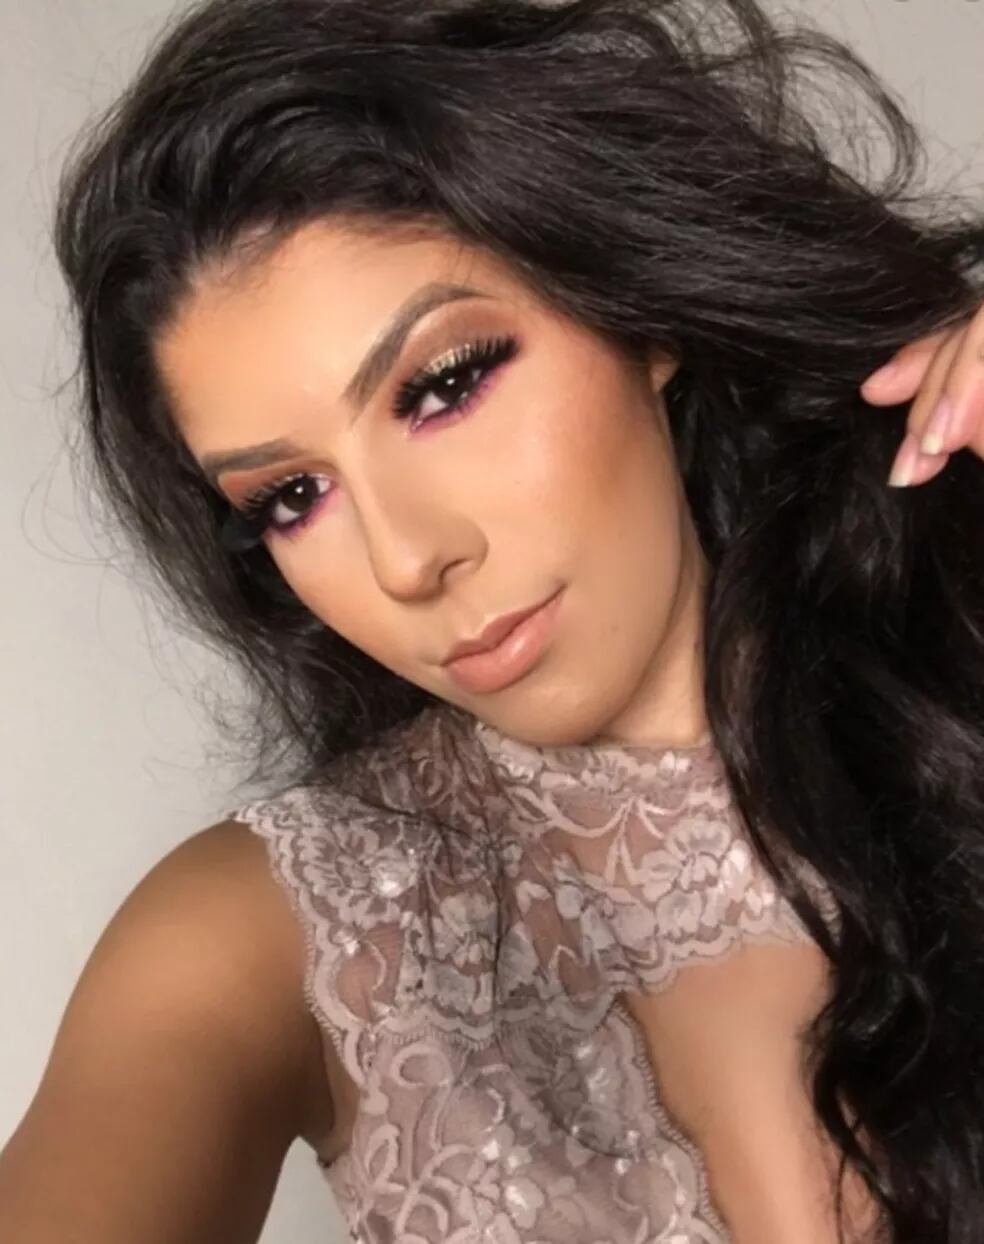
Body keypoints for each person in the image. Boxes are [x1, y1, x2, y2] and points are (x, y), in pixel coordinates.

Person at [2, 0, 983, 1241]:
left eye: (444, 384)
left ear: (637, 310)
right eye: (292, 496)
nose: (409, 558)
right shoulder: (278, 931)